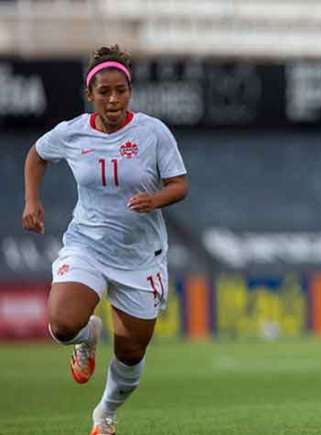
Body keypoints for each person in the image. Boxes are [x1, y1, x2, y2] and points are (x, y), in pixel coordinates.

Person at [21, 45, 188, 435]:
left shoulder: (153, 132)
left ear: (129, 91)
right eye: (104, 92)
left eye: (121, 91)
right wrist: (32, 200)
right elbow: (36, 154)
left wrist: (155, 199)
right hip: (88, 244)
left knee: (131, 352)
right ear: (90, 94)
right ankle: (87, 337)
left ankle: (105, 415)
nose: (113, 99)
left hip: (140, 255)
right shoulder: (72, 133)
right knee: (63, 324)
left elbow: (179, 185)